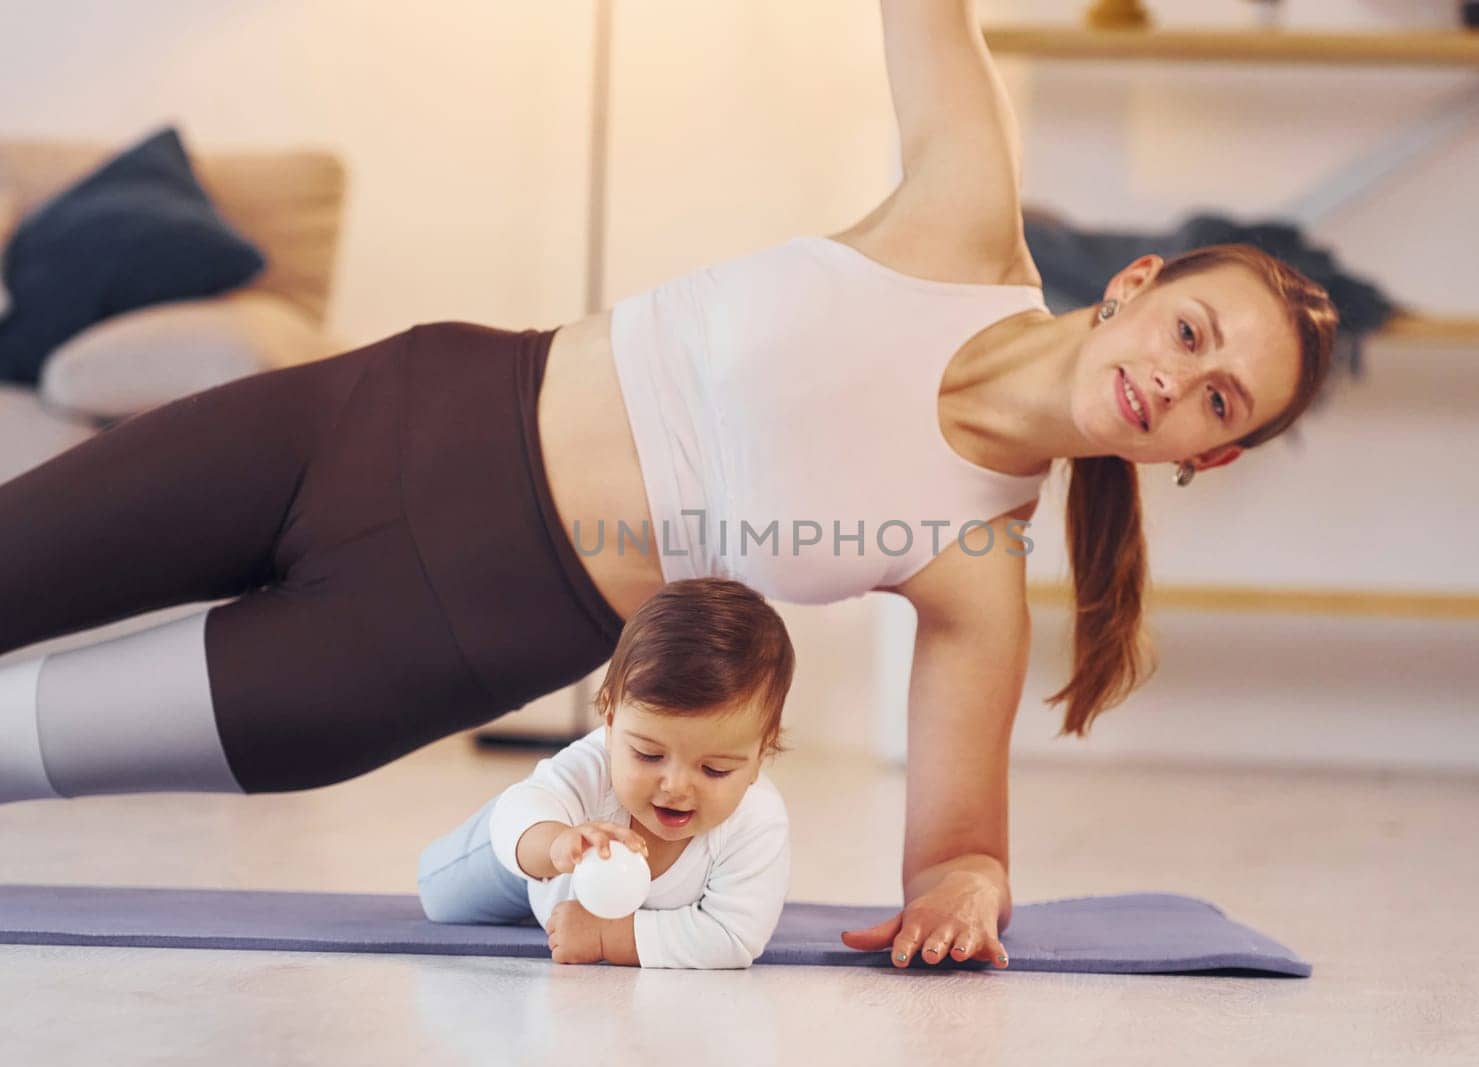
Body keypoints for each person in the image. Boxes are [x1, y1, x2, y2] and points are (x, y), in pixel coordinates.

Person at [0, 1, 1337, 970]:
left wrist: (970, 885)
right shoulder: (961, 217)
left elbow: (954, 850)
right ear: (1139, 285)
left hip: (421, 642)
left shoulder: (979, 568)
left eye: (1220, 400)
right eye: (1191, 331)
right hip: (373, 415)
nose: (1178, 378)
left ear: (1200, 459)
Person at [416, 577, 796, 969]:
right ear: (611, 725)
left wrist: (608, 937)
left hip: (576, 904)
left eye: (714, 769)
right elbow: (524, 808)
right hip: (540, 854)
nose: (676, 787)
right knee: (441, 896)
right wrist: (553, 843)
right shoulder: (593, 767)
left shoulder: (757, 821)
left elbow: (732, 936)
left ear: (759, 756)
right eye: (649, 755)